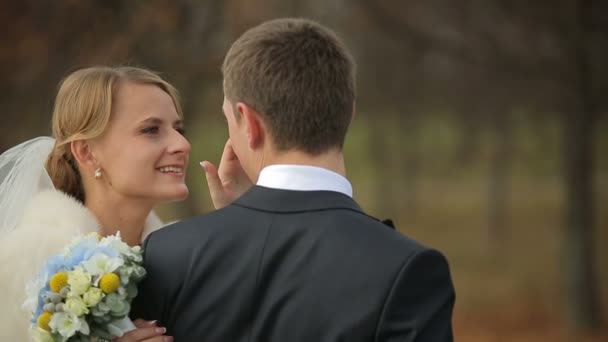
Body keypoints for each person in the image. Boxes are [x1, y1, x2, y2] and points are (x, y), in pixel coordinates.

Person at [131, 18, 455, 341]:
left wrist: (240, 221)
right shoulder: (407, 268)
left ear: (249, 123)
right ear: (349, 114)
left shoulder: (168, 254)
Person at [0, 66, 186, 342]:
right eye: (151, 130)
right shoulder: (23, 261)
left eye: (178, 129)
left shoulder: (184, 253)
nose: (182, 144)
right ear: (87, 153)